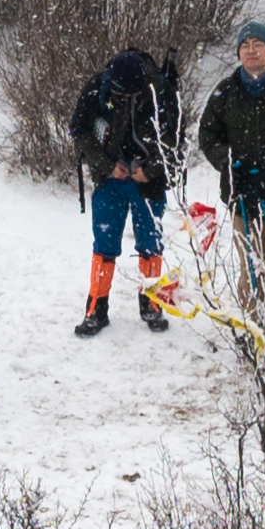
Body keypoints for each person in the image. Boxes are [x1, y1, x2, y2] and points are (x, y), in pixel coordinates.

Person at [194, 22, 265, 319]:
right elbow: (208, 135)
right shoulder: (227, 91)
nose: (251, 51)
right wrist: (229, 164)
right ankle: (253, 324)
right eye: (245, 46)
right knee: (250, 265)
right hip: (241, 192)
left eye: (257, 44)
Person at [66, 41, 177, 335]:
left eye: (133, 94)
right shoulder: (96, 88)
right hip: (109, 178)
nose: (127, 98)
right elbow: (79, 130)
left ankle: (151, 303)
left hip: (148, 181)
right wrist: (106, 165)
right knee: (104, 245)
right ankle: (96, 310)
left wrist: (150, 170)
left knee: (150, 243)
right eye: (121, 94)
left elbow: (174, 137)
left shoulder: (161, 90)